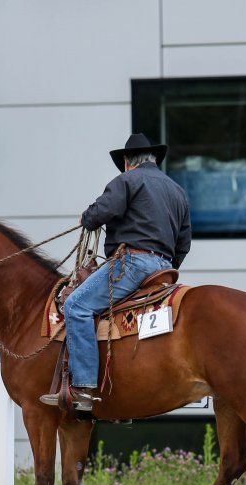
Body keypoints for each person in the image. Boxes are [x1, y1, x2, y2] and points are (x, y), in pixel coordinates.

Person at [40, 133, 192, 411]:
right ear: (154, 159)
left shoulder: (127, 181)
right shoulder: (177, 191)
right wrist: (165, 267)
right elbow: (184, 243)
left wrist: (87, 217)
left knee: (76, 305)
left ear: (126, 162)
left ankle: (83, 388)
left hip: (132, 263)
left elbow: (100, 213)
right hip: (165, 268)